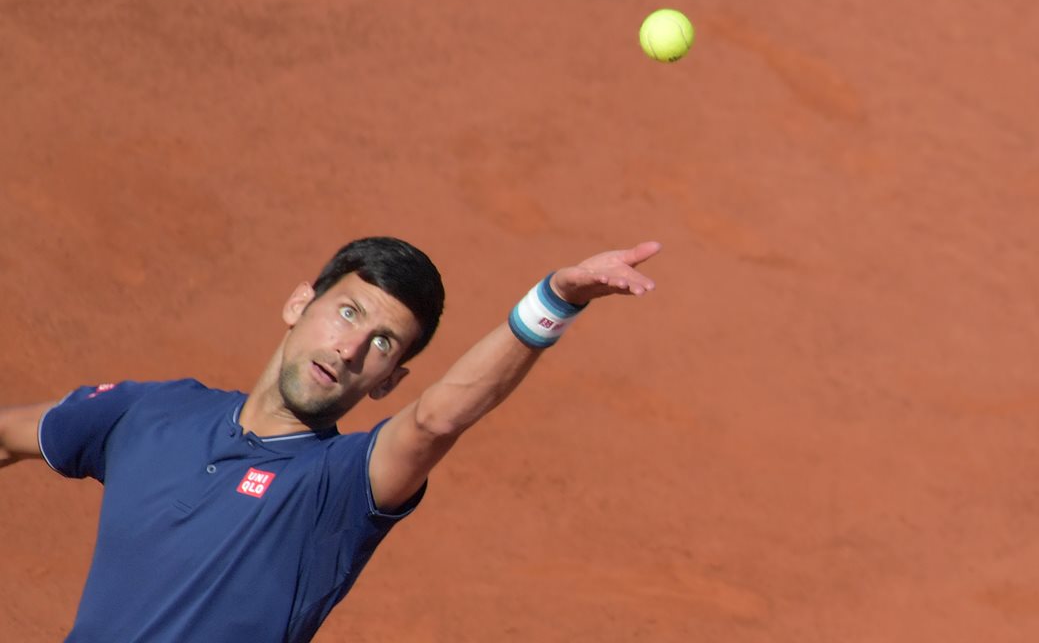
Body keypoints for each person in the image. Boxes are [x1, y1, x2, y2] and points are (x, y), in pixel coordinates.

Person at [0, 236, 661, 643]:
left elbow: (437, 420)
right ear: (299, 305)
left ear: (387, 381)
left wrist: (556, 299)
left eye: (380, 344)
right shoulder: (151, 413)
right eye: (348, 311)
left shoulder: (335, 488)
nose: (349, 347)